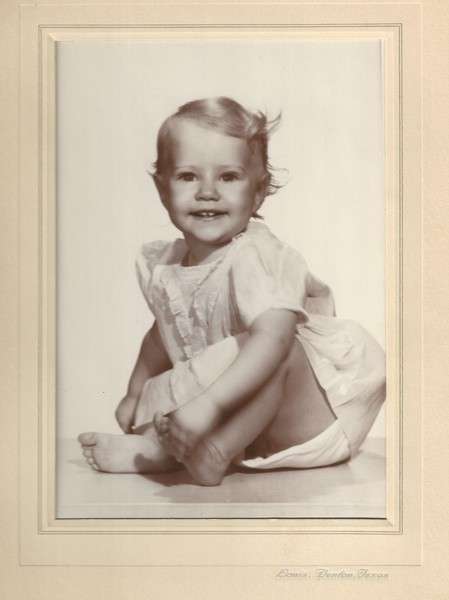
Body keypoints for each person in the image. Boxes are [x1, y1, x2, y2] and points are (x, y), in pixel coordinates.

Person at [78, 97, 386, 486]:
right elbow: (161, 336)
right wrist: (134, 392)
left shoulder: (257, 256)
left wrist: (208, 405)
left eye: (228, 176)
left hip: (308, 423)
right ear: (162, 190)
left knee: (278, 350)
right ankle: (167, 449)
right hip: (242, 427)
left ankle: (212, 451)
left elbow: (274, 340)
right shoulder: (169, 267)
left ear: (258, 192)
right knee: (191, 380)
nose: (207, 191)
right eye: (188, 176)